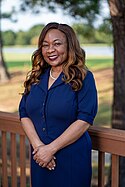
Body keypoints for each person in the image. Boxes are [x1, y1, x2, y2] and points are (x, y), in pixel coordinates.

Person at [19, 22, 98, 187]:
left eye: (57, 44)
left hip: (70, 159)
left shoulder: (84, 78)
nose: (50, 50)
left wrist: (50, 149)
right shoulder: (37, 77)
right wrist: (40, 148)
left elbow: (84, 120)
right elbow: (24, 112)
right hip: (39, 158)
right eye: (45, 45)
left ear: (70, 46)